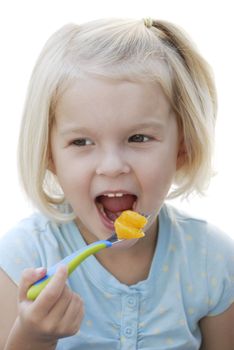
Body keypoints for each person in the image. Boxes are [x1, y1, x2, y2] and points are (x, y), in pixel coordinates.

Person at [0, 17, 234, 350]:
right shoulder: (23, 258)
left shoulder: (213, 259)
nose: (111, 166)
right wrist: (34, 336)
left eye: (139, 137)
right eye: (81, 142)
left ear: (182, 148)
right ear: (49, 156)